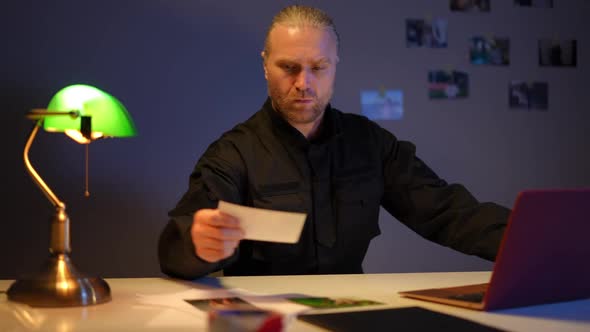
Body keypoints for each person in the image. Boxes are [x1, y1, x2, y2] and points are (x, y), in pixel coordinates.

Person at [158, 5, 511, 279]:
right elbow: (176, 247)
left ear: (335, 66)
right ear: (266, 65)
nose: (303, 82)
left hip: (351, 314)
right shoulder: (232, 154)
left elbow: (447, 211)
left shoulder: (370, 143)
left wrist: (533, 243)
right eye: (289, 67)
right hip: (264, 320)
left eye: (318, 67)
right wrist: (196, 243)